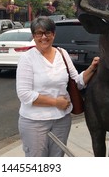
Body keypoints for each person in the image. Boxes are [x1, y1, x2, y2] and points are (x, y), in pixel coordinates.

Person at [16, 16, 99, 157]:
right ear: (33, 36)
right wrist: (56, 102)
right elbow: (24, 94)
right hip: (35, 122)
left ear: (53, 34)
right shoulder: (27, 58)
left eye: (47, 33)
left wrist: (92, 67)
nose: (44, 37)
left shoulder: (62, 53)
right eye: (39, 33)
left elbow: (77, 82)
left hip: (61, 120)